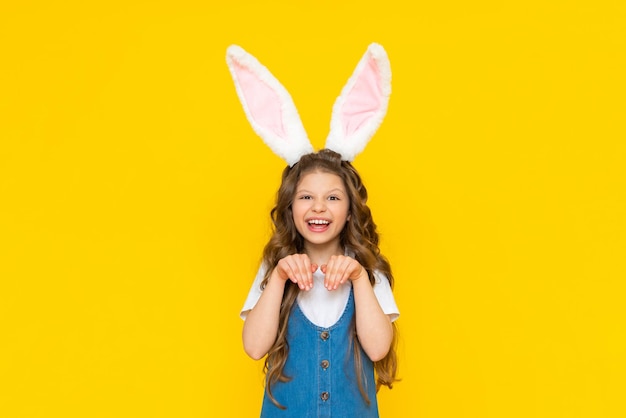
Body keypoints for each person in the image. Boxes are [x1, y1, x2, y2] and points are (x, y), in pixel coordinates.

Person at [226, 43, 399, 417]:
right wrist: (277, 278)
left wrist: (358, 277)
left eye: (333, 198)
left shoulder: (369, 270)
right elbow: (255, 347)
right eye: (306, 196)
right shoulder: (275, 269)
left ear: (351, 210)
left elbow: (378, 348)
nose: (319, 207)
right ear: (290, 208)